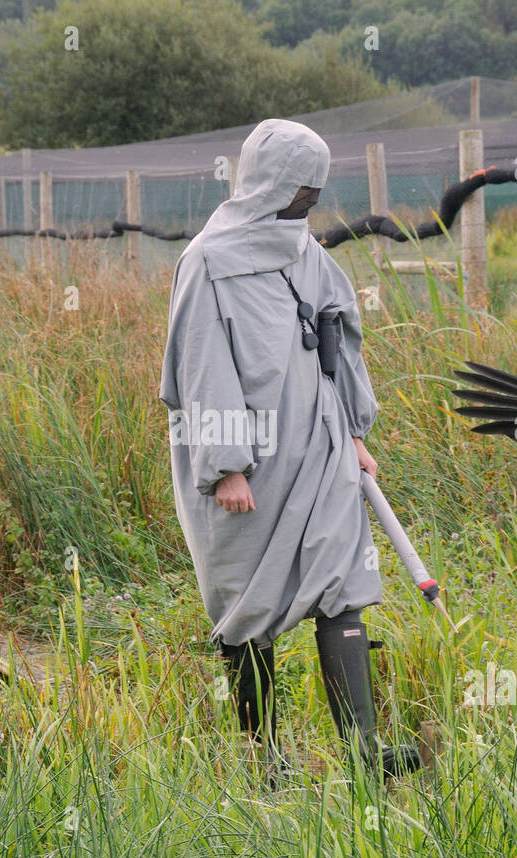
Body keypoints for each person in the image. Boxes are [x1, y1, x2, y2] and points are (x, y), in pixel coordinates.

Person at [159, 118, 422, 782]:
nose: (311, 200)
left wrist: (355, 433)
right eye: (303, 188)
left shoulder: (307, 252)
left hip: (322, 447)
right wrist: (224, 467)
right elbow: (200, 365)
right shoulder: (209, 260)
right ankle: (260, 760)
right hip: (248, 469)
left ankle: (365, 755)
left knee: (344, 589)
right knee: (248, 608)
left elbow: (342, 334)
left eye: (316, 190)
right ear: (272, 181)